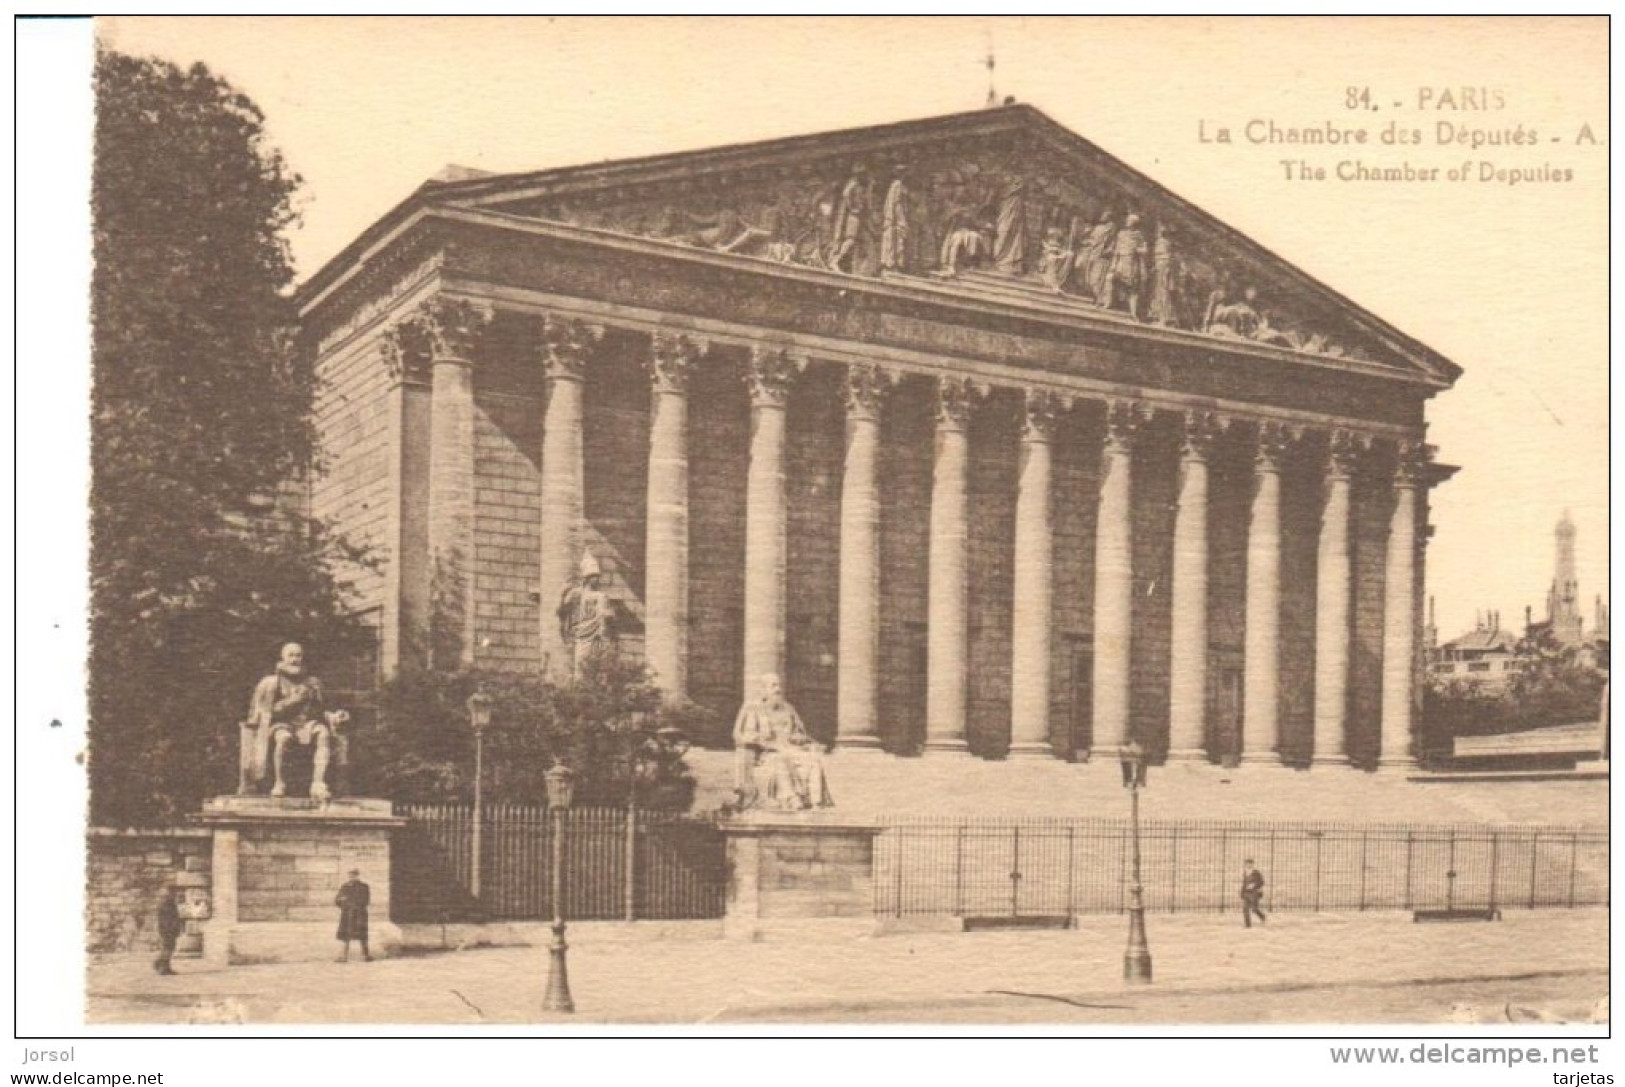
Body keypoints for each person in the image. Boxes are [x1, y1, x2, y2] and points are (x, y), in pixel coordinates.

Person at [246, 642, 349, 800]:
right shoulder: (271, 682)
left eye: (298, 655)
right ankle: (279, 782)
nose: (295, 660)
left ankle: (318, 783)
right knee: (283, 738)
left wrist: (335, 716)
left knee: (323, 734)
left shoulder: (312, 682)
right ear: (283, 657)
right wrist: (293, 701)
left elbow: (321, 709)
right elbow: (266, 712)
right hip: (280, 724)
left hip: (306, 724)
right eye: (291, 655)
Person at [732, 673, 833, 811]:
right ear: (763, 689)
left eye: (779, 685)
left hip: (791, 749)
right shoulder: (752, 708)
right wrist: (760, 741)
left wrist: (803, 740)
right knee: (781, 759)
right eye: (773, 685)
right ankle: (792, 798)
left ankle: (817, 803)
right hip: (766, 753)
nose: (777, 689)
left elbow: (799, 733)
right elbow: (739, 735)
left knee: (813, 760)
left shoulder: (788, 708)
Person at [556, 551, 619, 676]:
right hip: (582, 634)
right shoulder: (577, 594)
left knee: (596, 665)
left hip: (597, 635)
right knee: (581, 666)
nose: (596, 579)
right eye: (593, 576)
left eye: (597, 576)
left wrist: (608, 618)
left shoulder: (601, 596)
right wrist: (563, 596)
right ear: (587, 578)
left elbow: (607, 616)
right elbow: (562, 610)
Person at [335, 869, 371, 962]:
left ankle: (365, 956)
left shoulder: (364, 886)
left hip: (359, 914)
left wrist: (347, 901)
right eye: (350, 875)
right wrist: (343, 901)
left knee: (362, 935)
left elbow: (366, 900)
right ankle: (344, 957)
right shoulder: (345, 886)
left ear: (357, 876)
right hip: (347, 914)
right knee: (346, 936)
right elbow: (337, 900)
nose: (351, 877)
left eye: (353, 875)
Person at [153, 884, 182, 976]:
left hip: (169, 929)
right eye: (173, 892)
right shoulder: (166, 903)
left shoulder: (169, 903)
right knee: (167, 949)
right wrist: (171, 928)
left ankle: (164, 966)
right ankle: (161, 966)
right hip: (168, 930)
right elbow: (166, 919)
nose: (174, 894)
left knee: (169, 948)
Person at [1241, 859, 1267, 928]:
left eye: (1250, 864)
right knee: (1245, 909)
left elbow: (1261, 882)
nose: (1248, 865)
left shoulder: (1256, 873)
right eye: (1247, 864)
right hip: (1246, 893)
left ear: (1253, 864)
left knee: (1254, 909)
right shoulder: (1245, 873)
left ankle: (1262, 916)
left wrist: (1254, 885)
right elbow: (1244, 884)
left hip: (1254, 893)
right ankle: (1248, 925)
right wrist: (1242, 892)